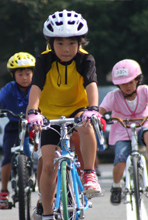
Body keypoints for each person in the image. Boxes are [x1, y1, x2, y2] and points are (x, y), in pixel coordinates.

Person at [26, 9, 102, 220]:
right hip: (49, 116)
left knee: (86, 126)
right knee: (48, 166)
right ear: (51, 44)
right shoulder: (43, 61)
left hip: (78, 110)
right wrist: (33, 111)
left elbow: (91, 84)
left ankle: (89, 174)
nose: (66, 49)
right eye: (59, 43)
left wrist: (93, 109)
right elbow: (36, 88)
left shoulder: (86, 60)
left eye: (71, 43)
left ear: (80, 43)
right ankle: (48, 214)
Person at [98, 59, 148, 205]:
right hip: (122, 129)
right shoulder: (113, 96)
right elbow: (100, 110)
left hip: (144, 123)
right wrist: (97, 117)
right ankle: (116, 186)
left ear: (138, 80)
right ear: (117, 84)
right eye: (123, 83)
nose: (127, 86)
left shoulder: (145, 90)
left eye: (131, 82)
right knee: (120, 160)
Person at [0, 52, 38, 209]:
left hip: (33, 125)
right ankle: (3, 191)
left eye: (28, 73)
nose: (24, 77)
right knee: (7, 157)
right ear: (13, 75)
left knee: (43, 153)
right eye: (20, 74)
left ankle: (36, 178)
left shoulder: (37, 87)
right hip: (14, 126)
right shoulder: (10, 88)